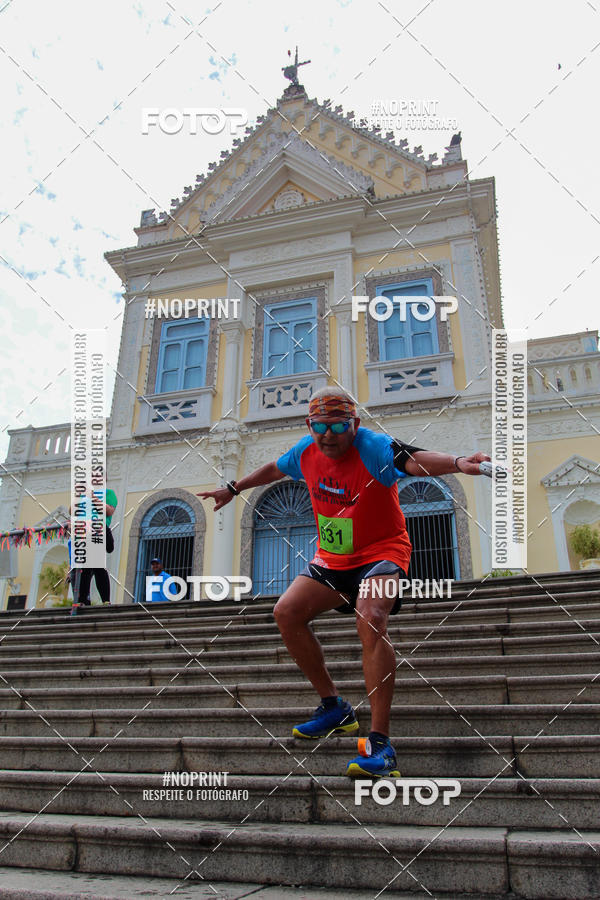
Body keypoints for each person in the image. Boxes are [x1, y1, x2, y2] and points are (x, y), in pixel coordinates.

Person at [199, 387, 490, 778]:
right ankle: (334, 707)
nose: (329, 435)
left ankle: (381, 745)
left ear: (354, 424)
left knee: (371, 616)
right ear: (310, 426)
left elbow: (414, 459)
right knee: (286, 612)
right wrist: (234, 489)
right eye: (321, 427)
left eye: (339, 426)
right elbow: (275, 468)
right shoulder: (306, 451)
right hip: (334, 557)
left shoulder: (372, 447)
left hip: (384, 551)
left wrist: (458, 463)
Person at [70, 488, 117, 608]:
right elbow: (72, 511)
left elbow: (109, 511)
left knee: (98, 567)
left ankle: (106, 600)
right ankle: (82, 600)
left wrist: (94, 498)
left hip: (98, 529)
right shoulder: (82, 495)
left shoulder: (108, 493)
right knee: (84, 568)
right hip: (83, 533)